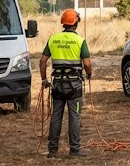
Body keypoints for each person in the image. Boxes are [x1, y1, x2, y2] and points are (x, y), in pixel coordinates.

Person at [40, 9, 93, 159]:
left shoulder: (53, 39)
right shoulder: (80, 41)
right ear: (76, 23)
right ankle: (74, 150)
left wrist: (44, 80)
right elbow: (87, 63)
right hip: (74, 86)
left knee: (56, 116)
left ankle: (52, 151)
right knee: (74, 117)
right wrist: (89, 74)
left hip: (57, 85)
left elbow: (43, 61)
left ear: (63, 23)